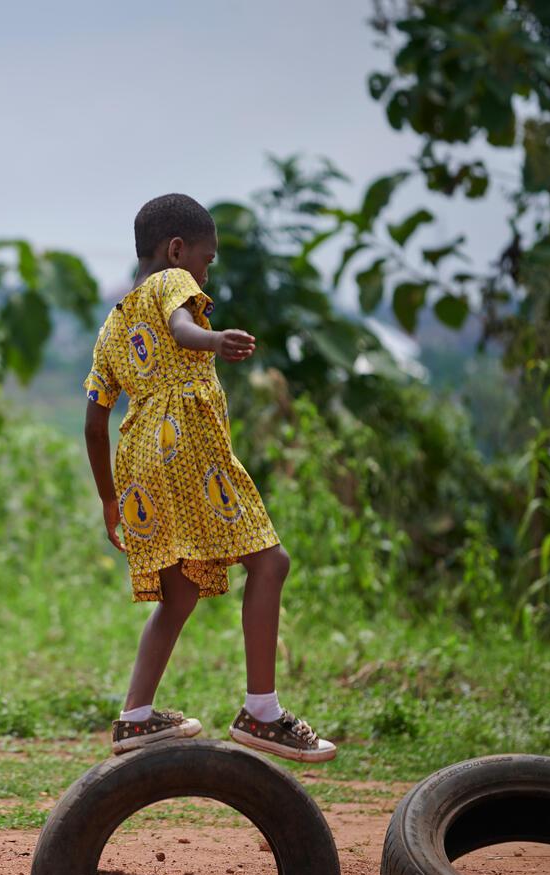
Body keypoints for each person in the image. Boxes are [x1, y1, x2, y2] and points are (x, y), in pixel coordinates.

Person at [83, 193, 335, 763]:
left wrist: (108, 500)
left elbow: (95, 422)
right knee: (270, 563)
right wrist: (213, 339)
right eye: (207, 259)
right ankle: (261, 712)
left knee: (179, 591)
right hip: (187, 443)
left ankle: (135, 717)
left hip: (138, 461)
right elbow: (178, 325)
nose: (205, 272)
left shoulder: (112, 325)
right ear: (176, 250)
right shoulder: (172, 283)